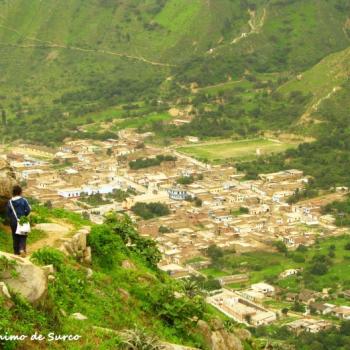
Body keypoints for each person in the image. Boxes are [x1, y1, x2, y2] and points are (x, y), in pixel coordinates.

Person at [6, 185, 31, 257]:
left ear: (13, 193)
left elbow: (8, 213)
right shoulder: (24, 200)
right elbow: (28, 210)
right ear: (20, 192)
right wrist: (24, 216)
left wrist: (11, 219)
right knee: (23, 236)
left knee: (15, 236)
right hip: (22, 221)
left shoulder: (10, 202)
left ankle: (16, 253)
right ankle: (22, 249)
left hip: (13, 221)